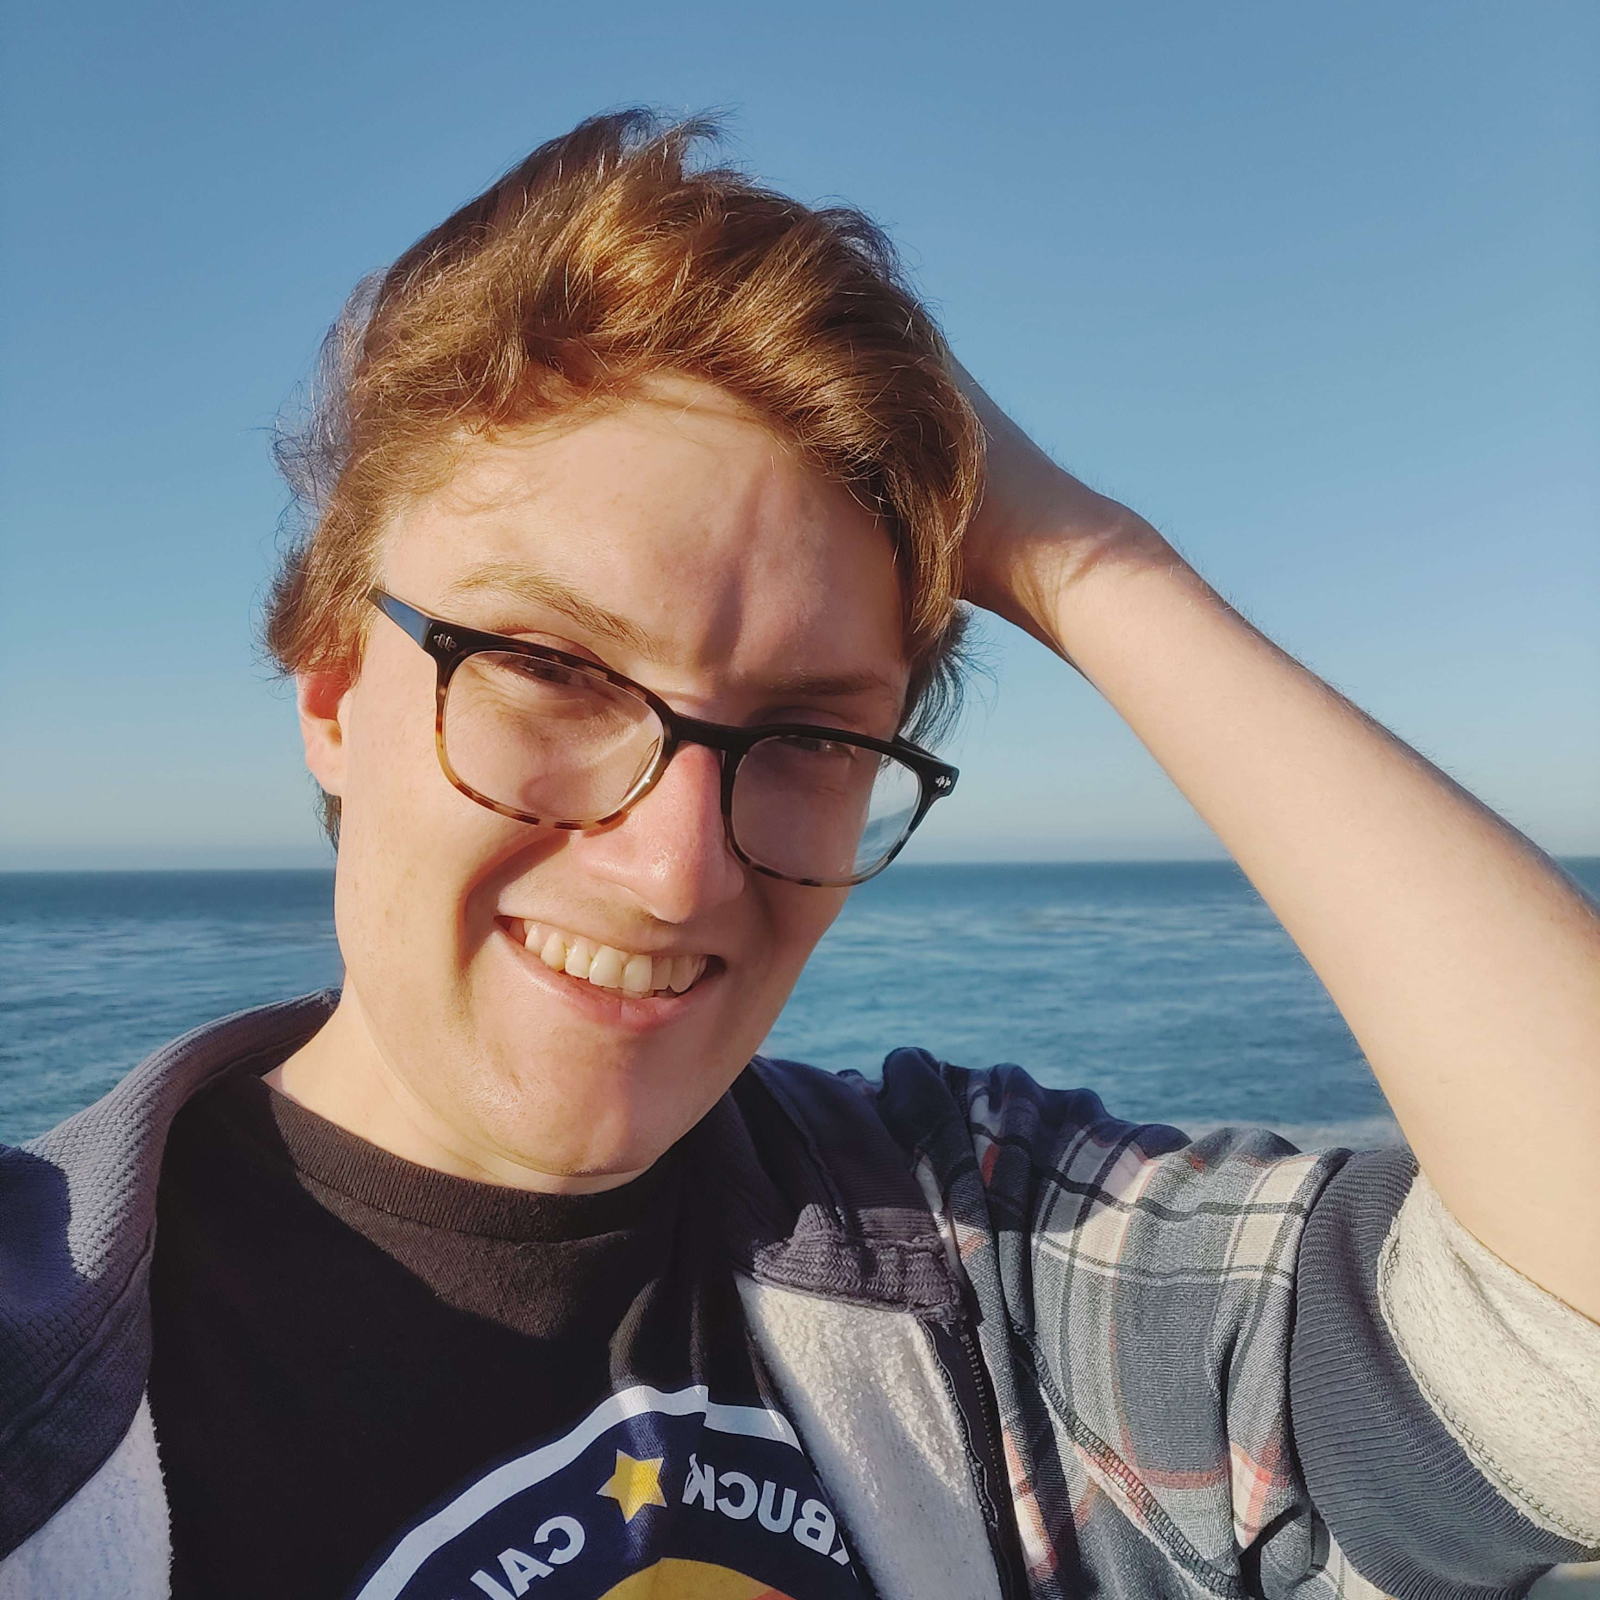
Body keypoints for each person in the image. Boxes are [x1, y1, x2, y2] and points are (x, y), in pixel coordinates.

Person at [1, 108, 1596, 1600]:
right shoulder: (42, 1351)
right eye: (554, 669)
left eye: (818, 737)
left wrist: (1087, 560)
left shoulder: (972, 1257)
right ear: (337, 697)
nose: (676, 870)